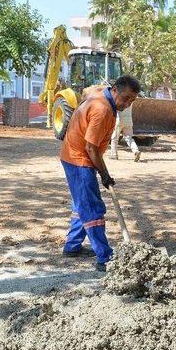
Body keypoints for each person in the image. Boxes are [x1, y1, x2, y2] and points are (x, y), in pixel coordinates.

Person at [60, 75, 141, 272]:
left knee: (82, 204)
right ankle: (105, 257)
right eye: (126, 98)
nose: (128, 103)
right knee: (93, 208)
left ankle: (72, 247)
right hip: (79, 160)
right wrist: (105, 175)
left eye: (132, 100)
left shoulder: (101, 97)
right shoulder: (102, 109)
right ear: (114, 90)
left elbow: (88, 93)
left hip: (73, 155)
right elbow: (91, 148)